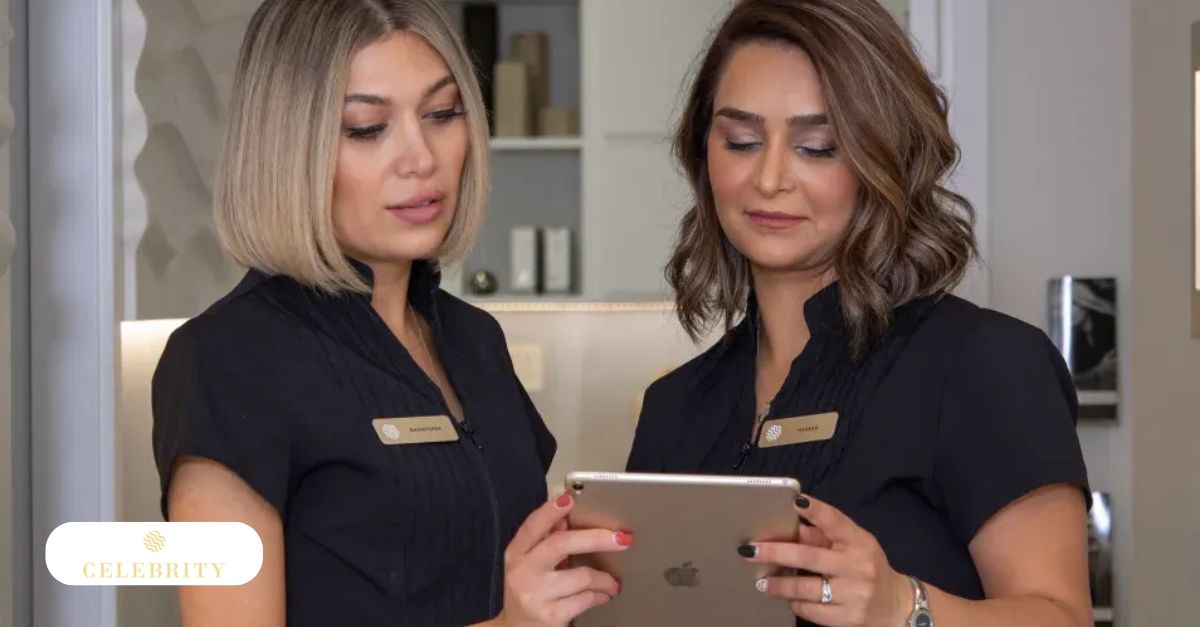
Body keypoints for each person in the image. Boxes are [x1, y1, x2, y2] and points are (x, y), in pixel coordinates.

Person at [151, 1, 629, 625]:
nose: (421, 157)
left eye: (442, 114)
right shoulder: (225, 359)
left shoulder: (475, 340)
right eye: (367, 128)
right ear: (287, 150)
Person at [626, 1, 1093, 625]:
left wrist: (903, 605)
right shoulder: (674, 407)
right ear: (702, 152)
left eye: (817, 147)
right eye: (741, 141)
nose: (769, 178)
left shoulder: (983, 364)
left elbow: (1061, 616)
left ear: (884, 156)